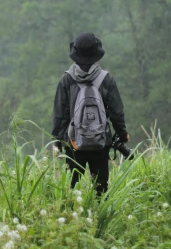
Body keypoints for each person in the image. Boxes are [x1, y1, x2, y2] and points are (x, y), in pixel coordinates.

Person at [51, 32, 129, 195]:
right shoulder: (106, 79)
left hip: (74, 143)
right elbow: (116, 112)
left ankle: (74, 217)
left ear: (75, 55)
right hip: (100, 142)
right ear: (96, 54)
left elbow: (60, 115)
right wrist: (122, 134)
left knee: (72, 189)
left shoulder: (66, 80)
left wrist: (57, 141)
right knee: (101, 188)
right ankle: (100, 218)